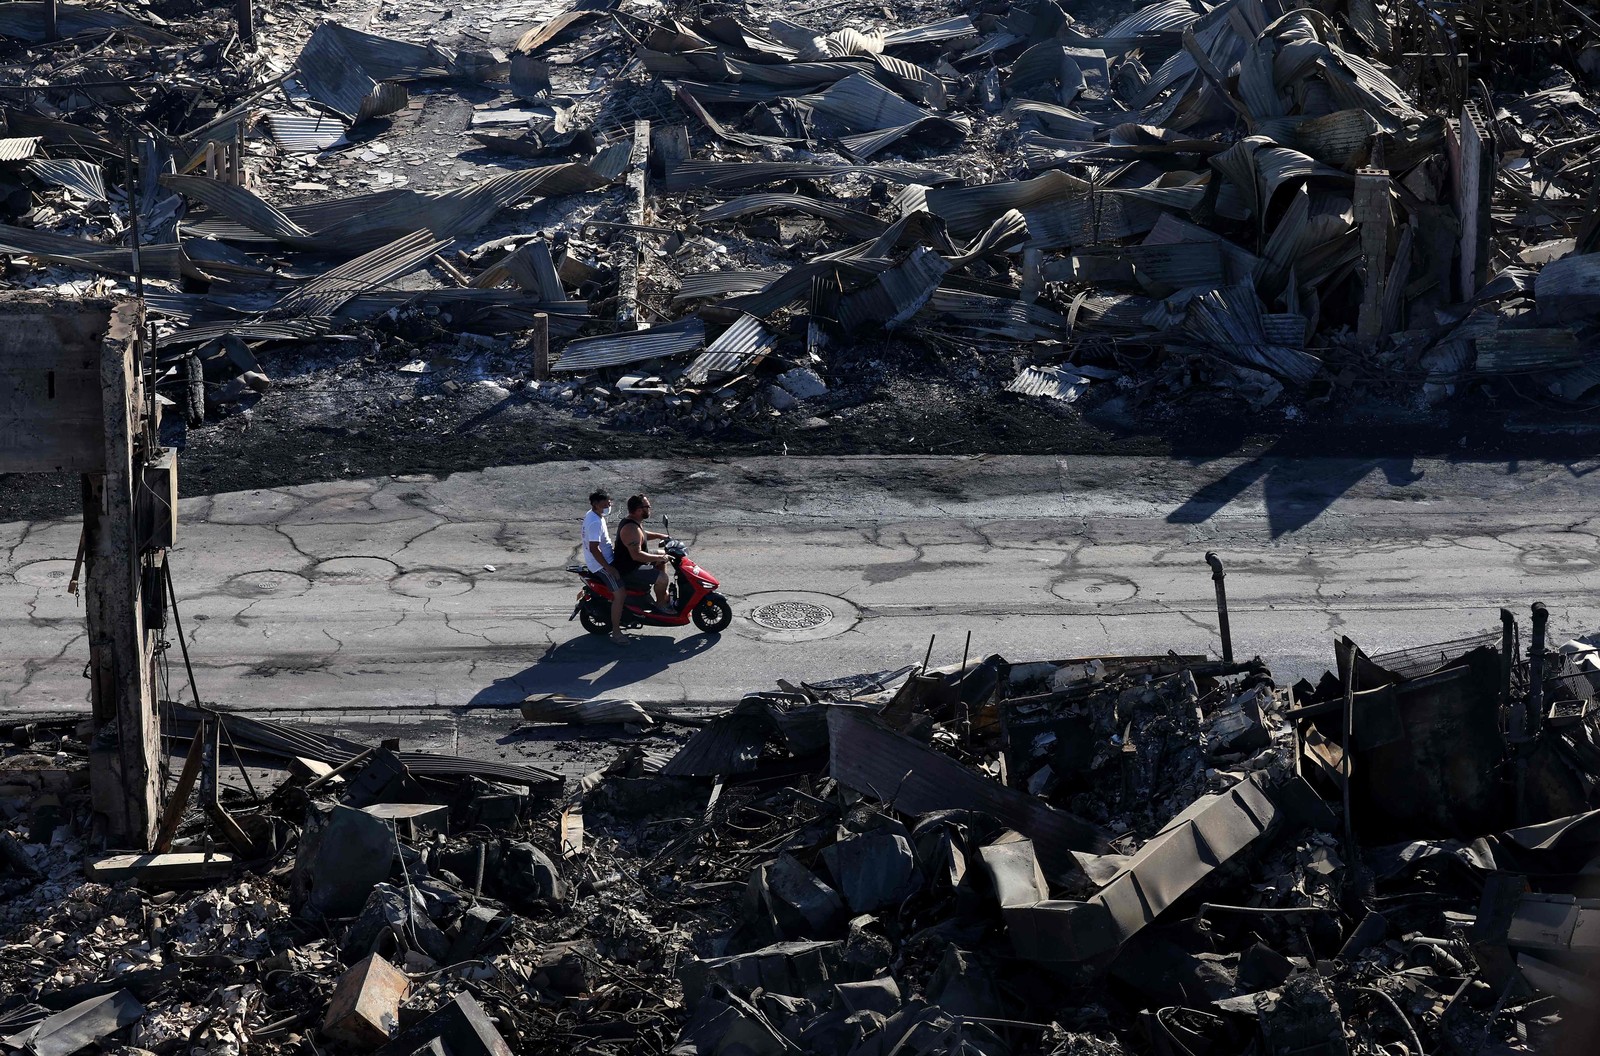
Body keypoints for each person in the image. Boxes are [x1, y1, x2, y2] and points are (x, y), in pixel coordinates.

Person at [613, 494, 675, 616]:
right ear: (639, 510)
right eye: (648, 506)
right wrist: (659, 558)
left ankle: (662, 595)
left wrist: (659, 536)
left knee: (661, 554)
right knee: (663, 578)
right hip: (629, 570)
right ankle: (661, 607)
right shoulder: (630, 528)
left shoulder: (634, 522)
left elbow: (642, 534)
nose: (650, 508)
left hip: (635, 563)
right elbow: (637, 555)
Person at [581, 490, 628, 644]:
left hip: (606, 559)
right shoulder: (594, 521)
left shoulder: (594, 515)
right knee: (620, 594)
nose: (609, 505)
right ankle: (616, 633)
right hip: (600, 565)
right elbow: (594, 548)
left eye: (609, 502)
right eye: (605, 503)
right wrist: (609, 568)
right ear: (595, 504)